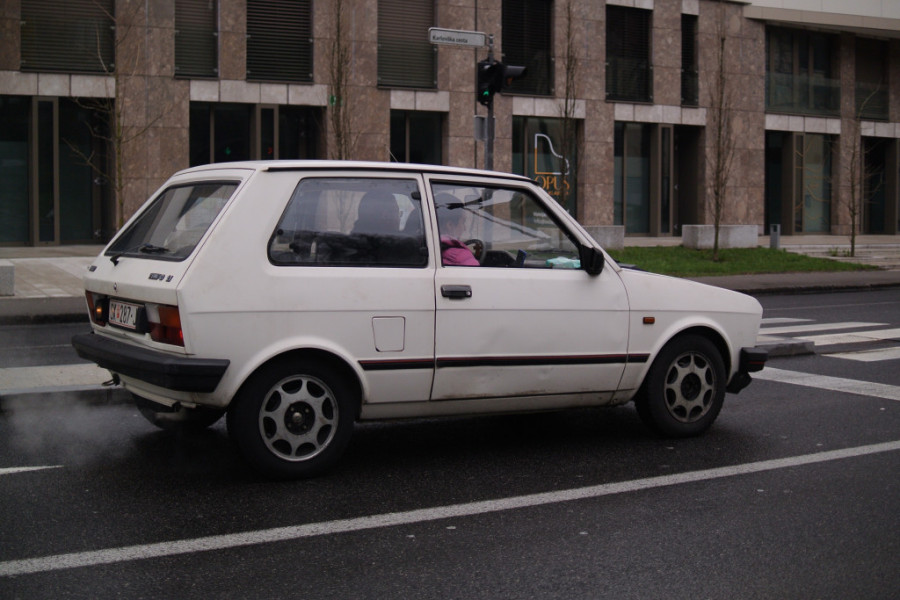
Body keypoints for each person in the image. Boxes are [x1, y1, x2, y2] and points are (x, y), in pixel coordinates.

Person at [436, 194, 479, 266]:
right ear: (450, 225)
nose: (464, 229)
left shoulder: (424, 248)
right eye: (463, 222)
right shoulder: (461, 257)